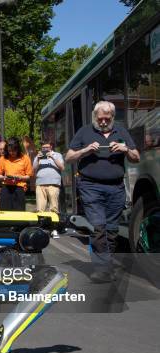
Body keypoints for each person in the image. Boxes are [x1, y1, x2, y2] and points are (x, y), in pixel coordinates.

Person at [65, 100, 139, 281]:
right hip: (90, 186)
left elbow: (136, 157)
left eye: (107, 119)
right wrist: (85, 150)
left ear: (112, 117)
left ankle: (106, 265)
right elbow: (68, 158)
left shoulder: (121, 132)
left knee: (112, 230)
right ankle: (102, 268)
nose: (103, 122)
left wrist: (125, 148)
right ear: (95, 117)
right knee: (98, 227)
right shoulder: (84, 131)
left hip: (116, 188)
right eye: (100, 119)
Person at [33, 141, 64, 238]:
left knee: (53, 207)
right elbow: (34, 169)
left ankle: (53, 229)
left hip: (53, 184)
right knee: (40, 208)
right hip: (40, 184)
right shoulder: (39, 156)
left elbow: (62, 167)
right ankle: (41, 228)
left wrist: (52, 157)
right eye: (43, 148)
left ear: (51, 146)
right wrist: (38, 158)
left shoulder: (57, 155)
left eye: (47, 147)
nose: (45, 149)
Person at [0, 137, 33, 211]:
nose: (11, 153)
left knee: (19, 211)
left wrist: (19, 177)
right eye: (9, 151)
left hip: (19, 188)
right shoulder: (3, 158)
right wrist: (4, 178)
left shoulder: (25, 158)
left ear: (18, 149)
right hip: (6, 187)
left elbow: (29, 176)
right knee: (5, 211)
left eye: (14, 151)